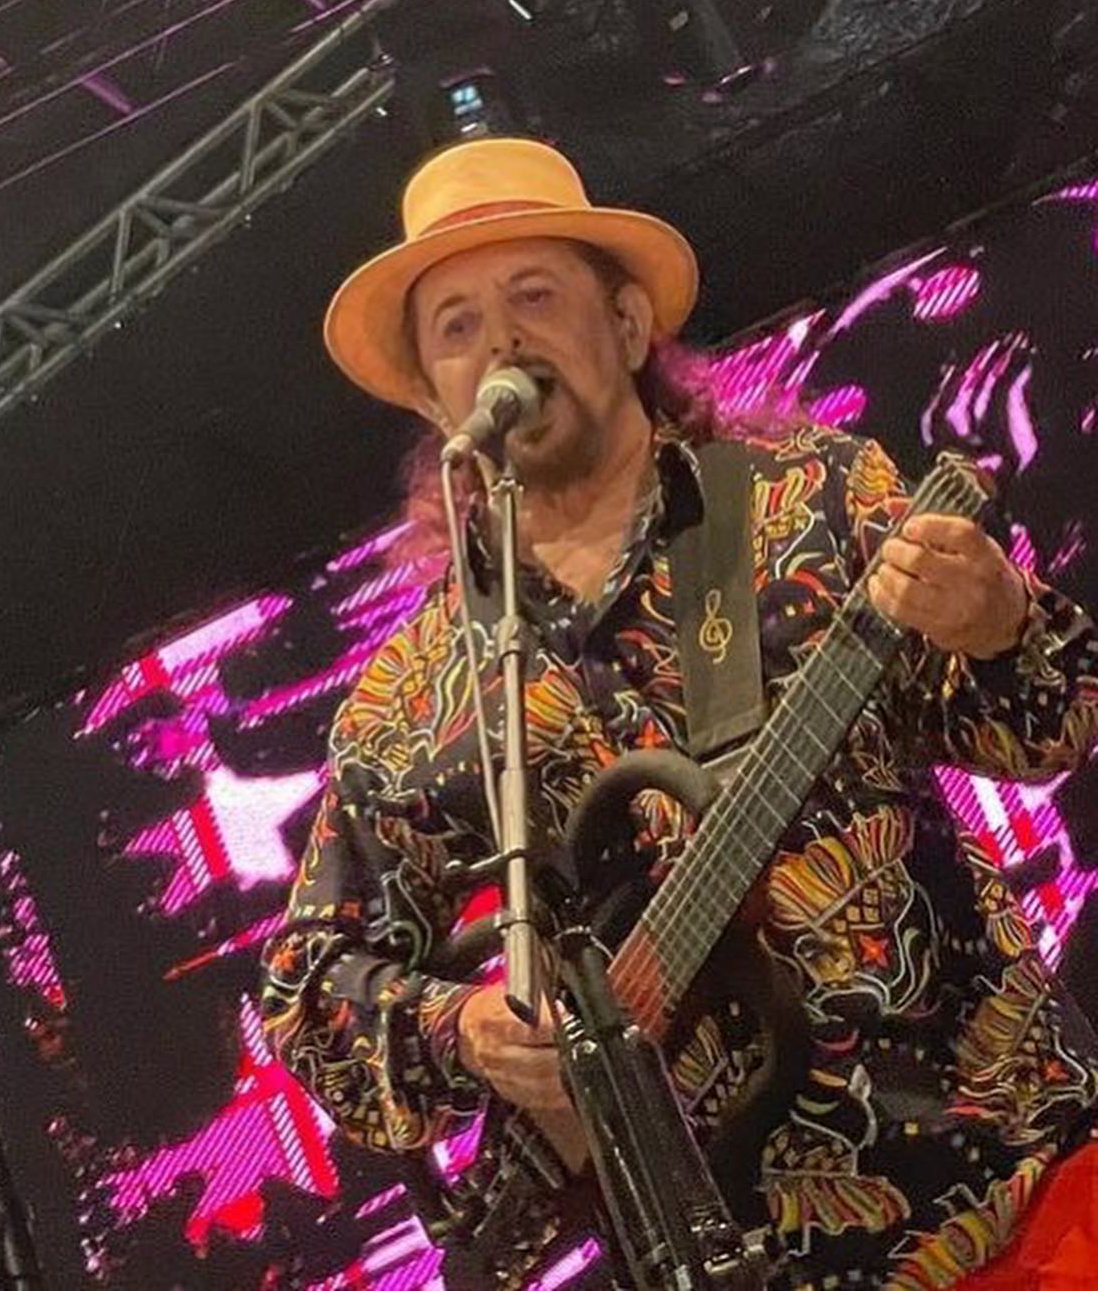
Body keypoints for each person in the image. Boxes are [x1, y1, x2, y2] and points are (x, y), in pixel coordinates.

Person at [259, 137, 1098, 1290]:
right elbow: (309, 990)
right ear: (431, 395)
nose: (500, 341)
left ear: (624, 322)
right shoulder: (411, 701)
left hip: (1027, 1181)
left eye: (533, 295)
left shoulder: (812, 498)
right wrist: (468, 1031)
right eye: (456, 325)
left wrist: (1000, 620)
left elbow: (1049, 725)